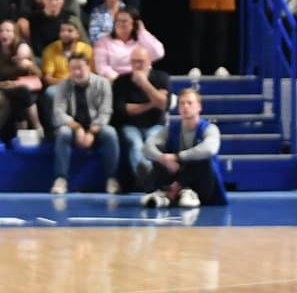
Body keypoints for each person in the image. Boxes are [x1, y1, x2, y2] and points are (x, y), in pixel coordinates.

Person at [137, 86, 225, 208]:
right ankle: (168, 194)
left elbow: (210, 149)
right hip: (175, 174)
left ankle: (181, 191)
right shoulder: (170, 130)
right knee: (152, 160)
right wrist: (164, 159)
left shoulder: (210, 129)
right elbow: (147, 147)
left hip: (202, 184)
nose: (185, 107)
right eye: (182, 103)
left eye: (190, 103)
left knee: (202, 158)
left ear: (199, 107)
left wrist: (178, 157)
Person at [49, 53, 118, 193]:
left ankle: (112, 178)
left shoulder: (103, 83)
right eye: (72, 69)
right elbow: (58, 113)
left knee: (110, 132)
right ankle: (61, 179)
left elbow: (105, 112)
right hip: (74, 129)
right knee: (63, 132)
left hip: (96, 127)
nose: (76, 72)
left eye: (80, 68)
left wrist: (92, 132)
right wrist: (77, 128)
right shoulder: (63, 85)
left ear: (89, 66)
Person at [112, 47, 171, 179]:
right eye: (134, 62)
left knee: (151, 141)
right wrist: (152, 102)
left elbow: (163, 105)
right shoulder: (121, 81)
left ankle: (149, 177)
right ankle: (147, 176)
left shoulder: (161, 78)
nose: (137, 66)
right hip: (130, 125)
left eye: (141, 61)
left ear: (149, 61)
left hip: (155, 124)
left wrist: (144, 83)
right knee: (135, 142)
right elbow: (124, 110)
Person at [92, 6, 164, 79]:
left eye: (124, 21)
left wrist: (142, 31)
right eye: (117, 21)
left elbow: (158, 54)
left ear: (134, 24)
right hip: (116, 82)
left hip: (144, 79)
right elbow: (102, 68)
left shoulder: (142, 38)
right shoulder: (102, 42)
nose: (120, 24)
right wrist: (121, 81)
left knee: (162, 77)